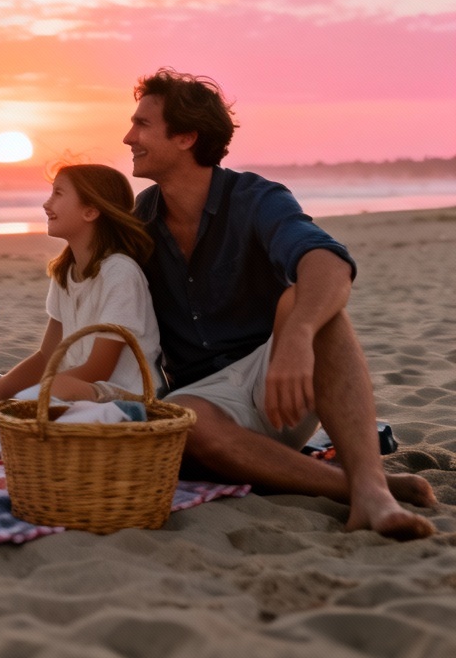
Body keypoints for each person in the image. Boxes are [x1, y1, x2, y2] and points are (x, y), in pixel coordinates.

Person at [124, 67, 436, 539]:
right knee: (180, 420)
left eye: (143, 124)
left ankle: (373, 492)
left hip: (282, 383)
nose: (129, 136)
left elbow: (328, 262)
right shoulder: (140, 218)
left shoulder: (255, 199)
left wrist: (298, 337)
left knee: (313, 300)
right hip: (205, 403)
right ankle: (364, 487)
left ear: (186, 137)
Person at [0, 164, 161, 430]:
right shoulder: (66, 271)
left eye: (58, 193)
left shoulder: (119, 273)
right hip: (76, 392)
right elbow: (47, 355)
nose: (46, 204)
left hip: (125, 397)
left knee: (34, 403)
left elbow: (98, 369)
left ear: (90, 211)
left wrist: (33, 396)